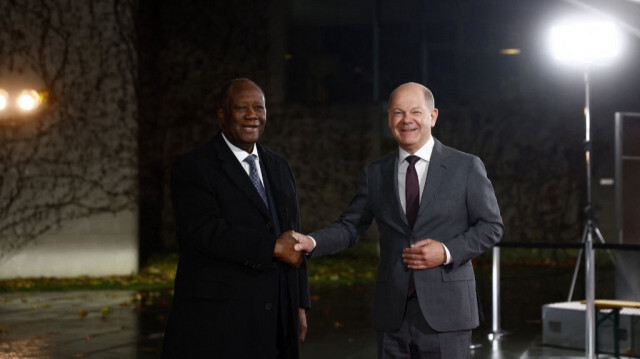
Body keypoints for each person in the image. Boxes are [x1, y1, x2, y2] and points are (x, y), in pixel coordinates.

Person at [294, 82, 503, 359]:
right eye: (398, 113)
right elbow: (350, 226)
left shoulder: (465, 166)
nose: (407, 120)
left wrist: (446, 251)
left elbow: (491, 227)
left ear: (433, 116)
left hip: (448, 314)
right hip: (392, 313)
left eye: (415, 111)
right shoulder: (376, 173)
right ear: (389, 119)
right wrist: (311, 241)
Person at [162, 78, 310, 359]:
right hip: (221, 320)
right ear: (222, 114)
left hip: (277, 314)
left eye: (259, 107)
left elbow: (294, 234)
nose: (253, 115)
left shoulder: (278, 165)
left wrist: (299, 303)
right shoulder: (194, 167)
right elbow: (205, 232)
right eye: (242, 108)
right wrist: (272, 247)